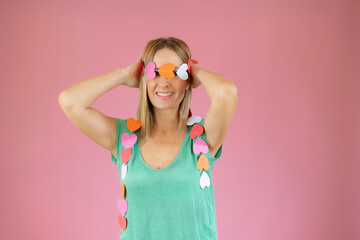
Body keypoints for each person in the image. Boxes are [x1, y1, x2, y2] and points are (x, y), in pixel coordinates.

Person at [58, 37, 238, 239]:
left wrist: (195, 71)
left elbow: (227, 92)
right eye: (156, 72)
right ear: (144, 76)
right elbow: (70, 101)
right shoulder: (123, 138)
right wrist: (124, 75)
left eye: (175, 72)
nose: (164, 82)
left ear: (187, 80)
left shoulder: (203, 139)